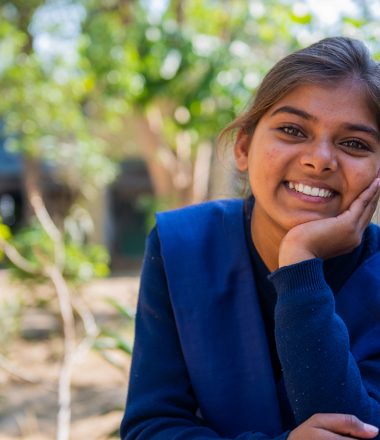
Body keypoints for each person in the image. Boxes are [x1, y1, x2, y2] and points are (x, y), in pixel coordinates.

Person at [120, 37, 380, 440]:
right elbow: (151, 427)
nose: (320, 159)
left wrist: (300, 262)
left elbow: (359, 431)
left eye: (354, 143)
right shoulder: (181, 247)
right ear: (243, 146)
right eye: (293, 130)